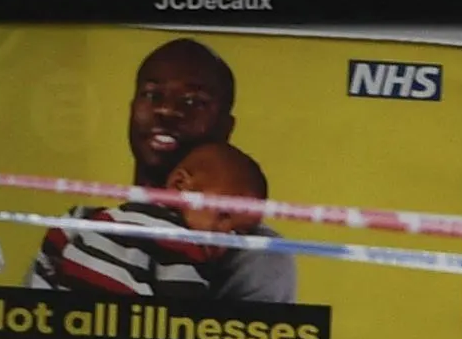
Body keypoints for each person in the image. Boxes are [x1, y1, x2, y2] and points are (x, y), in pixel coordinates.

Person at [32, 36, 292, 307]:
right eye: (152, 95)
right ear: (132, 111)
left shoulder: (255, 253)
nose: (167, 110)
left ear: (225, 127)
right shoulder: (79, 223)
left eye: (193, 101)